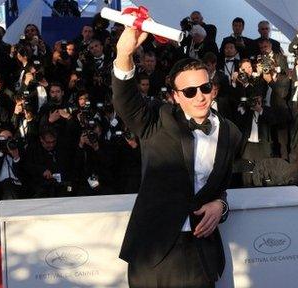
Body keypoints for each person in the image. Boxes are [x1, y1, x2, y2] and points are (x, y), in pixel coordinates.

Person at [112, 26, 242, 287]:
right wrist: (124, 53)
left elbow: (224, 185)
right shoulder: (156, 119)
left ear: (213, 88)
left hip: (200, 250)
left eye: (204, 87)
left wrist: (221, 205)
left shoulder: (231, 133)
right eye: (190, 91)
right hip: (153, 250)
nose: (200, 97)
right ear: (175, 96)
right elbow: (126, 99)